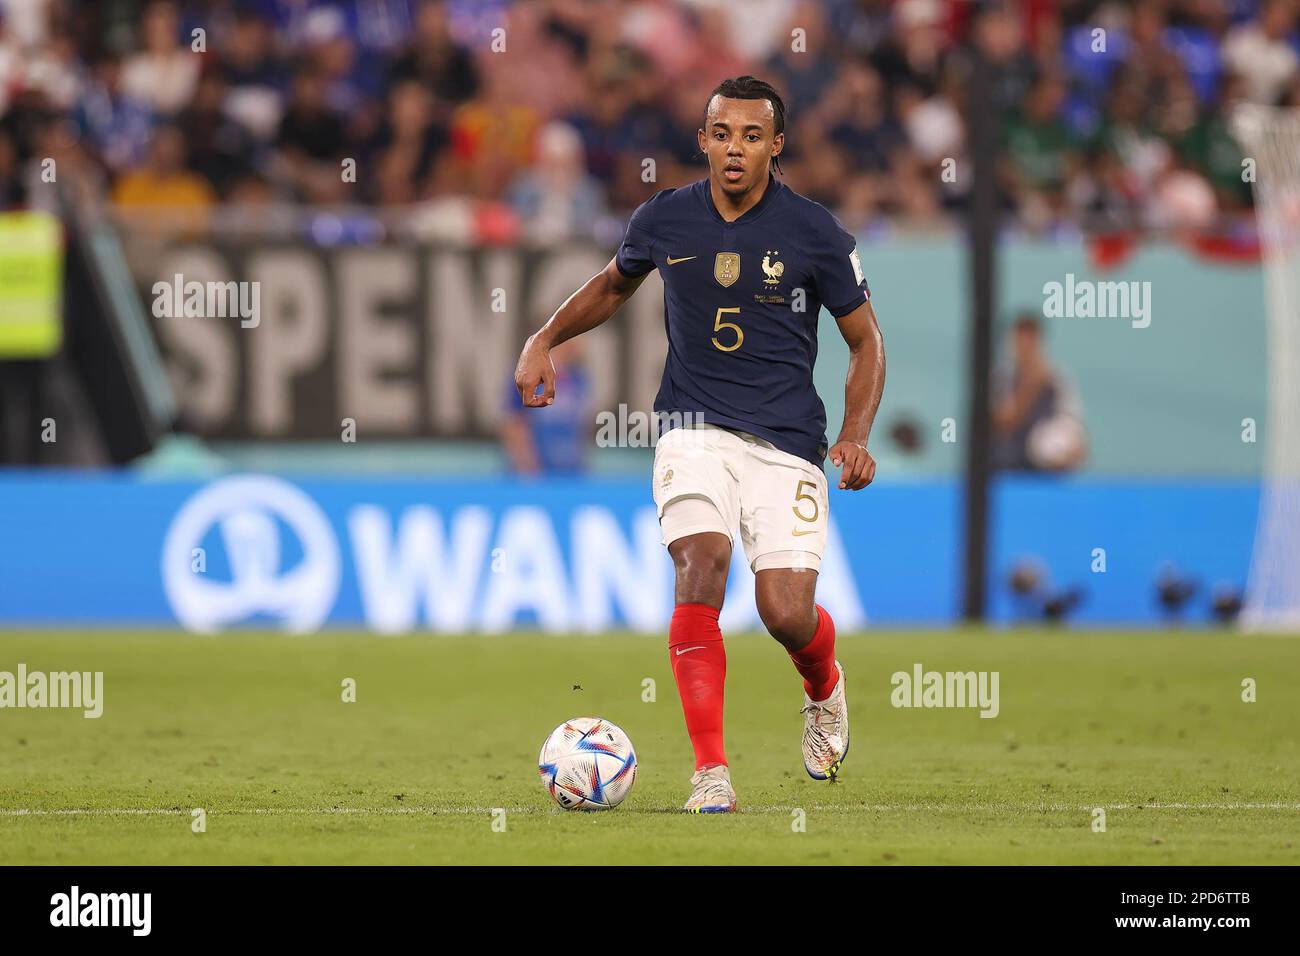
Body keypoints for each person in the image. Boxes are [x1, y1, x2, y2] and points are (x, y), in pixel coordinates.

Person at [512, 76, 885, 813]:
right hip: (692, 430)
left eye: (752, 136)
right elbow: (614, 285)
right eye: (722, 134)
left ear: (776, 146)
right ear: (704, 140)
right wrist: (545, 337)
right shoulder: (666, 219)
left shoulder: (816, 233)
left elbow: (865, 341)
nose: (735, 149)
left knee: (783, 613)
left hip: (787, 443)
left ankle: (823, 683)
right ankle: (710, 773)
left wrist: (854, 435)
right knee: (701, 562)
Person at [992, 313, 1087, 472]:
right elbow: (1003, 423)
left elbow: (1072, 422)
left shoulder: (1058, 378)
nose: (1025, 348)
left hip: (1046, 463)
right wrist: (1031, 385)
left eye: (1030, 341)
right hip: (1009, 459)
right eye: (1020, 341)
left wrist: (1074, 449)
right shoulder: (1002, 377)